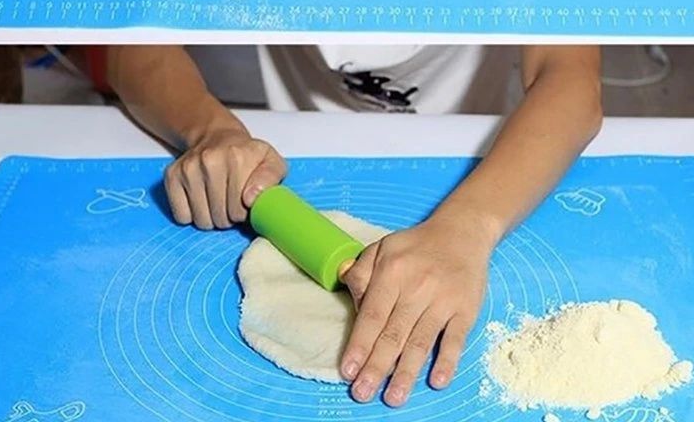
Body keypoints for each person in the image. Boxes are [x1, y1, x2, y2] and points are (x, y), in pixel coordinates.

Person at [107, 45, 602, 407]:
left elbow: (570, 79)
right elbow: (129, 49)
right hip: (292, 132)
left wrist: (469, 225)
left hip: (495, 145)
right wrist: (210, 131)